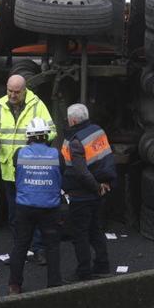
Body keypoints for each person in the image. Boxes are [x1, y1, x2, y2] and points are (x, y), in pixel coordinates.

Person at [0, 74, 52, 262]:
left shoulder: (36, 105)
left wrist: (36, 143)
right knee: (15, 213)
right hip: (9, 170)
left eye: (16, 92)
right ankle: (21, 248)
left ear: (24, 90)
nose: (12, 95)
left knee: (34, 210)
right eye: (9, 91)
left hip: (30, 169)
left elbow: (51, 131)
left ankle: (38, 249)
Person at [7, 117, 69, 294]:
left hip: (25, 207)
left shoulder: (19, 154)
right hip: (49, 207)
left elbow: (16, 169)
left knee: (20, 245)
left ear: (28, 136)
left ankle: (14, 285)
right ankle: (54, 284)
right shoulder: (56, 154)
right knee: (52, 246)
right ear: (46, 136)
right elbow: (62, 172)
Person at [60, 103, 115, 280]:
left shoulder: (75, 141)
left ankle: (83, 271)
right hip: (99, 191)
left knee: (80, 235)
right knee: (95, 230)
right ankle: (102, 266)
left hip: (82, 194)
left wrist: (96, 187)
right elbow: (106, 158)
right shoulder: (97, 131)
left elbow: (81, 172)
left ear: (73, 120)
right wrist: (104, 184)